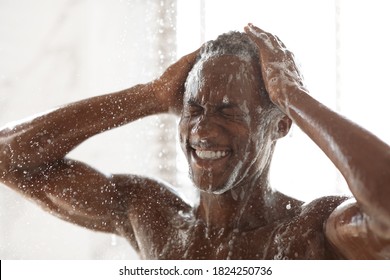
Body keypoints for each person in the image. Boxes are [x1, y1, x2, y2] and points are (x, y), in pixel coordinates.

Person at [0, 23, 389, 260]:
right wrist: (150, 95)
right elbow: (7, 157)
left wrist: (293, 96)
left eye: (228, 111)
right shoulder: (155, 219)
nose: (202, 130)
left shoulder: (312, 233)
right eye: (194, 109)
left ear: (281, 125)